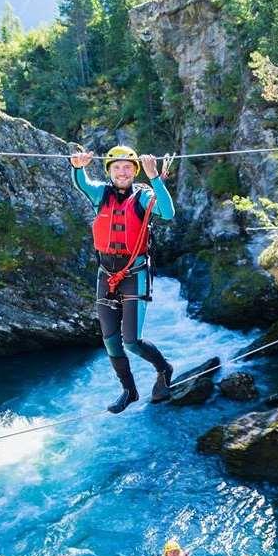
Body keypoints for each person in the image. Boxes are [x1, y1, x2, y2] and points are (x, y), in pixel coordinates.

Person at [70, 146, 175, 413]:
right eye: (116, 167)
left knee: (131, 341)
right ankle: (129, 390)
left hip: (134, 273)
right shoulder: (100, 193)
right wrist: (78, 165)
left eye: (128, 167)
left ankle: (164, 368)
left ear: (135, 171)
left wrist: (153, 176)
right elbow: (81, 181)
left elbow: (167, 212)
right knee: (109, 338)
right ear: (109, 171)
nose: (122, 171)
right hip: (106, 274)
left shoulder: (143, 195)